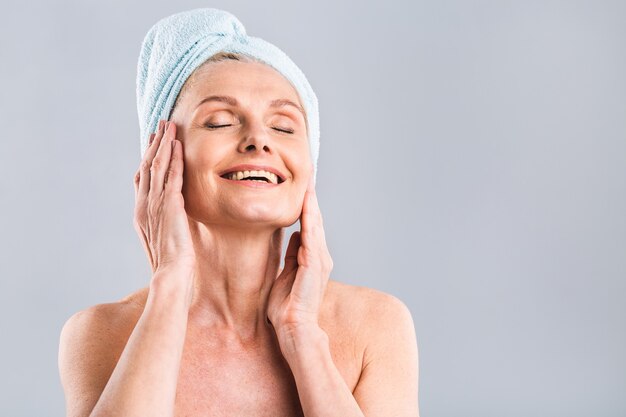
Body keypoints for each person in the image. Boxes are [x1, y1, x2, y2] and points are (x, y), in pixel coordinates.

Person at [58, 8, 419, 417]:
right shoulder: (101, 335)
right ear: (160, 160)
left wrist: (300, 333)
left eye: (284, 127)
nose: (258, 140)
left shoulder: (375, 326)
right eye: (219, 122)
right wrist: (171, 286)